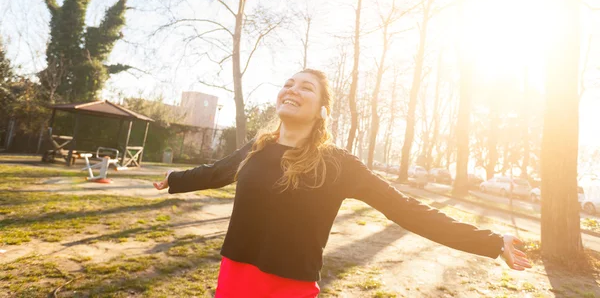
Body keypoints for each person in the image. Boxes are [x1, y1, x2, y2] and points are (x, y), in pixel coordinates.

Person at [154, 69, 531, 297]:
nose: (292, 90)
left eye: (305, 88)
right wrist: (175, 178)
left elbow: (407, 210)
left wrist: (492, 242)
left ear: (322, 110)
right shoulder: (257, 147)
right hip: (235, 277)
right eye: (288, 83)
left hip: (290, 288)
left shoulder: (338, 164)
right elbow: (217, 172)